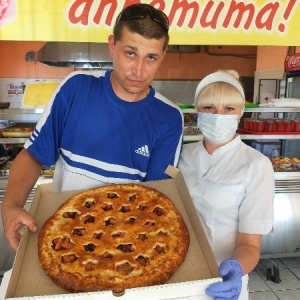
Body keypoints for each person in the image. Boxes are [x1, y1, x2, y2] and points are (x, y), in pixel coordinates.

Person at [2, 3, 183, 253]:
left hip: (125, 250)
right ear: (112, 46)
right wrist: (11, 206)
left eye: (150, 57)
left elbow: (154, 201)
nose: (139, 70)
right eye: (130, 53)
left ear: (162, 57)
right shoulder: (76, 89)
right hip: (63, 239)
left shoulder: (169, 118)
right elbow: (33, 156)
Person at [178, 70, 274, 300]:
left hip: (221, 281)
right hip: (175, 275)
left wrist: (236, 270)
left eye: (228, 109)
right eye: (209, 108)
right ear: (197, 111)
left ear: (240, 114)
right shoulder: (181, 155)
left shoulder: (256, 165)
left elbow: (250, 245)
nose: (218, 115)